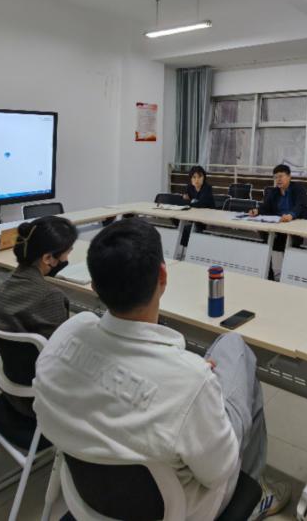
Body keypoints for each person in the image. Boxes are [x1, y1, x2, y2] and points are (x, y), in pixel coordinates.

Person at [33, 218, 289, 520]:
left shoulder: (65, 335)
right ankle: (255, 492)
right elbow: (219, 472)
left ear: (94, 285)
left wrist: (188, 377)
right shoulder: (191, 381)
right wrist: (200, 386)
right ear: (163, 276)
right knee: (234, 346)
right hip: (183, 510)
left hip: (86, 500)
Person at [0, 215, 76, 416]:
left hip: (10, 385)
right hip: (40, 400)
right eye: (67, 253)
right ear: (48, 258)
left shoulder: (3, 288)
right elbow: (61, 354)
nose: (67, 260)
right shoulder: (50, 296)